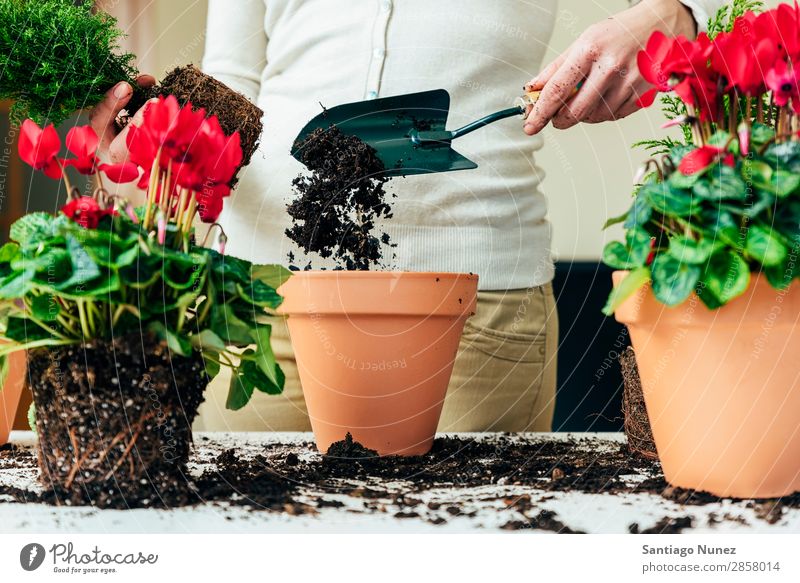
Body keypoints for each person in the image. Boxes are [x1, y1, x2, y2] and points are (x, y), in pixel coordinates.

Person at [91, 0, 725, 432]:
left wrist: (673, 13)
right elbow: (234, 79)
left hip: (474, 303)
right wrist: (155, 149)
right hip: (264, 304)